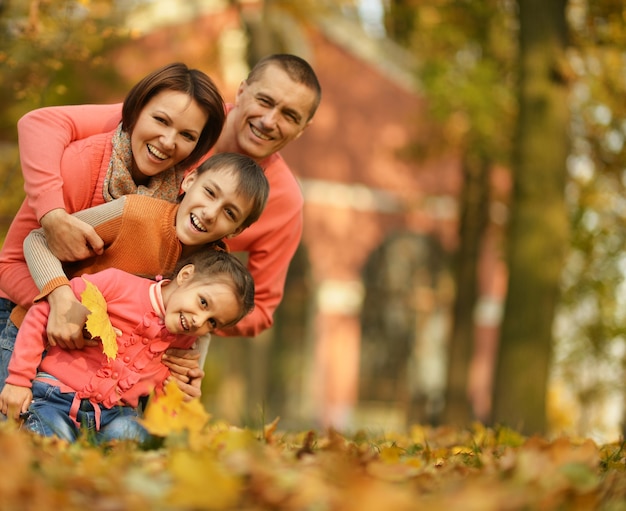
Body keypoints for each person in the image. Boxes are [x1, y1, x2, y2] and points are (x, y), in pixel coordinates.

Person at [9, 54, 322, 342]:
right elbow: (43, 123)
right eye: (264, 100)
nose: (269, 120)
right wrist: (52, 215)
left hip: (141, 321)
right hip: (49, 292)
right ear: (242, 91)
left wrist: (181, 324)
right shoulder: (186, 115)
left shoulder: (284, 202)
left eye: (289, 115)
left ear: (303, 129)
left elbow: (260, 308)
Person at [0, 62, 225, 392]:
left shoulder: (181, 201)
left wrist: (177, 353)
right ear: (134, 112)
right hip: (24, 312)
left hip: (104, 340)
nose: (167, 141)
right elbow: (8, 264)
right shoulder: (83, 164)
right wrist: (62, 302)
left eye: (187, 135)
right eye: (160, 120)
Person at [0, 250, 255, 444]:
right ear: (185, 276)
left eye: (212, 322)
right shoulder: (117, 285)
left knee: (136, 438)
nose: (199, 321)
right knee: (52, 440)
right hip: (54, 398)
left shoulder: (183, 343)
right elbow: (41, 315)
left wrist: (174, 417)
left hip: (115, 415)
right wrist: (18, 381)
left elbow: (166, 394)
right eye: (202, 302)